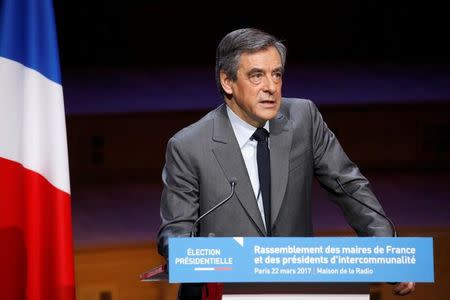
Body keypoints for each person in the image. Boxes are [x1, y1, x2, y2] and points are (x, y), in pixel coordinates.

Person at [157, 28, 415, 299]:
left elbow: (350, 188)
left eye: (277, 74)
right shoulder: (188, 146)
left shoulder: (303, 118)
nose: (271, 87)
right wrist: (195, 256)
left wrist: (387, 253)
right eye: (257, 75)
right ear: (227, 81)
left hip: (293, 289)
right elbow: (174, 233)